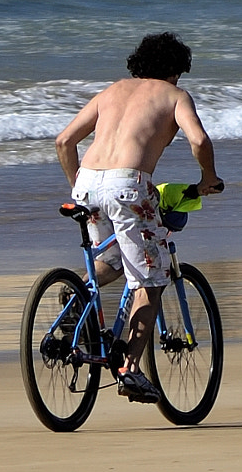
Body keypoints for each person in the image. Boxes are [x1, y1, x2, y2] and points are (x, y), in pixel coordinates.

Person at [54, 31, 223, 401]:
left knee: (112, 258)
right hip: (129, 186)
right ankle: (129, 369)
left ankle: (75, 297)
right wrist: (208, 179)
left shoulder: (112, 91)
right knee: (150, 278)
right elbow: (199, 141)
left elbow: (64, 142)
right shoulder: (175, 96)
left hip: (86, 183)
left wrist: (78, 189)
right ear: (175, 70)